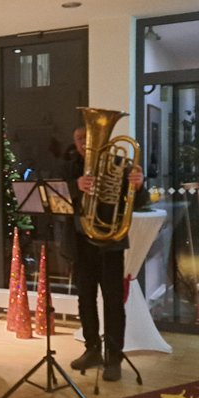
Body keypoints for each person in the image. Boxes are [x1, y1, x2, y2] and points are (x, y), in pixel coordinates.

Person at [60, 125, 147, 381]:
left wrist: (139, 186)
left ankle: (114, 357)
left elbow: (140, 203)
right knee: (85, 299)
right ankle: (92, 350)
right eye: (78, 138)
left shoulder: (121, 164)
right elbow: (58, 199)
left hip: (110, 244)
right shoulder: (70, 168)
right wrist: (75, 186)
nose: (83, 142)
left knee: (113, 301)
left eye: (87, 137)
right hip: (81, 243)